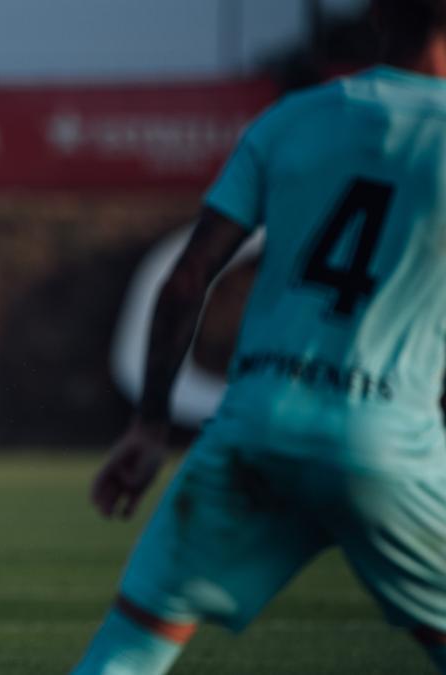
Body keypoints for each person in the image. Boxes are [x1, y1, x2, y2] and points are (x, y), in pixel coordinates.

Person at [72, 1, 446, 672]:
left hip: (255, 428)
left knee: (128, 652)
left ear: (379, 15)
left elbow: (188, 279)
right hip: (386, 443)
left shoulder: (293, 119)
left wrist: (150, 424)